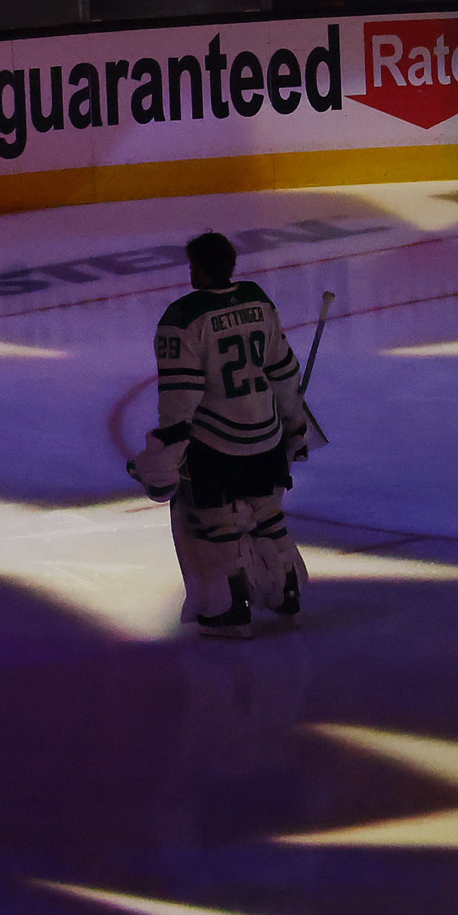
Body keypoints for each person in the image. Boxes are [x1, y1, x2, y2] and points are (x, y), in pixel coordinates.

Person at [130, 233, 328, 638]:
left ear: (199, 268)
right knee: (268, 515)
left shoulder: (183, 317)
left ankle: (229, 610)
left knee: (218, 525)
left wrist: (169, 447)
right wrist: (294, 424)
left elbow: (180, 397)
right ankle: (286, 591)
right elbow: (284, 373)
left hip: (216, 444)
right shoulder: (257, 299)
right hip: (267, 436)